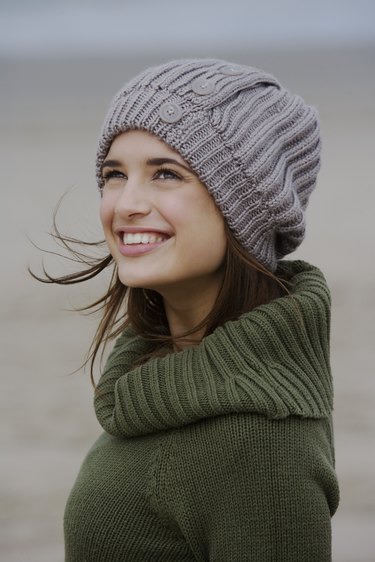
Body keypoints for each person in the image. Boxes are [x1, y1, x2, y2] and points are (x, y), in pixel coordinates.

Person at [37, 59, 340, 561]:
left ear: (244, 208)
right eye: (115, 174)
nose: (127, 203)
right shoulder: (161, 375)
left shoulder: (256, 445)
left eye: (166, 174)